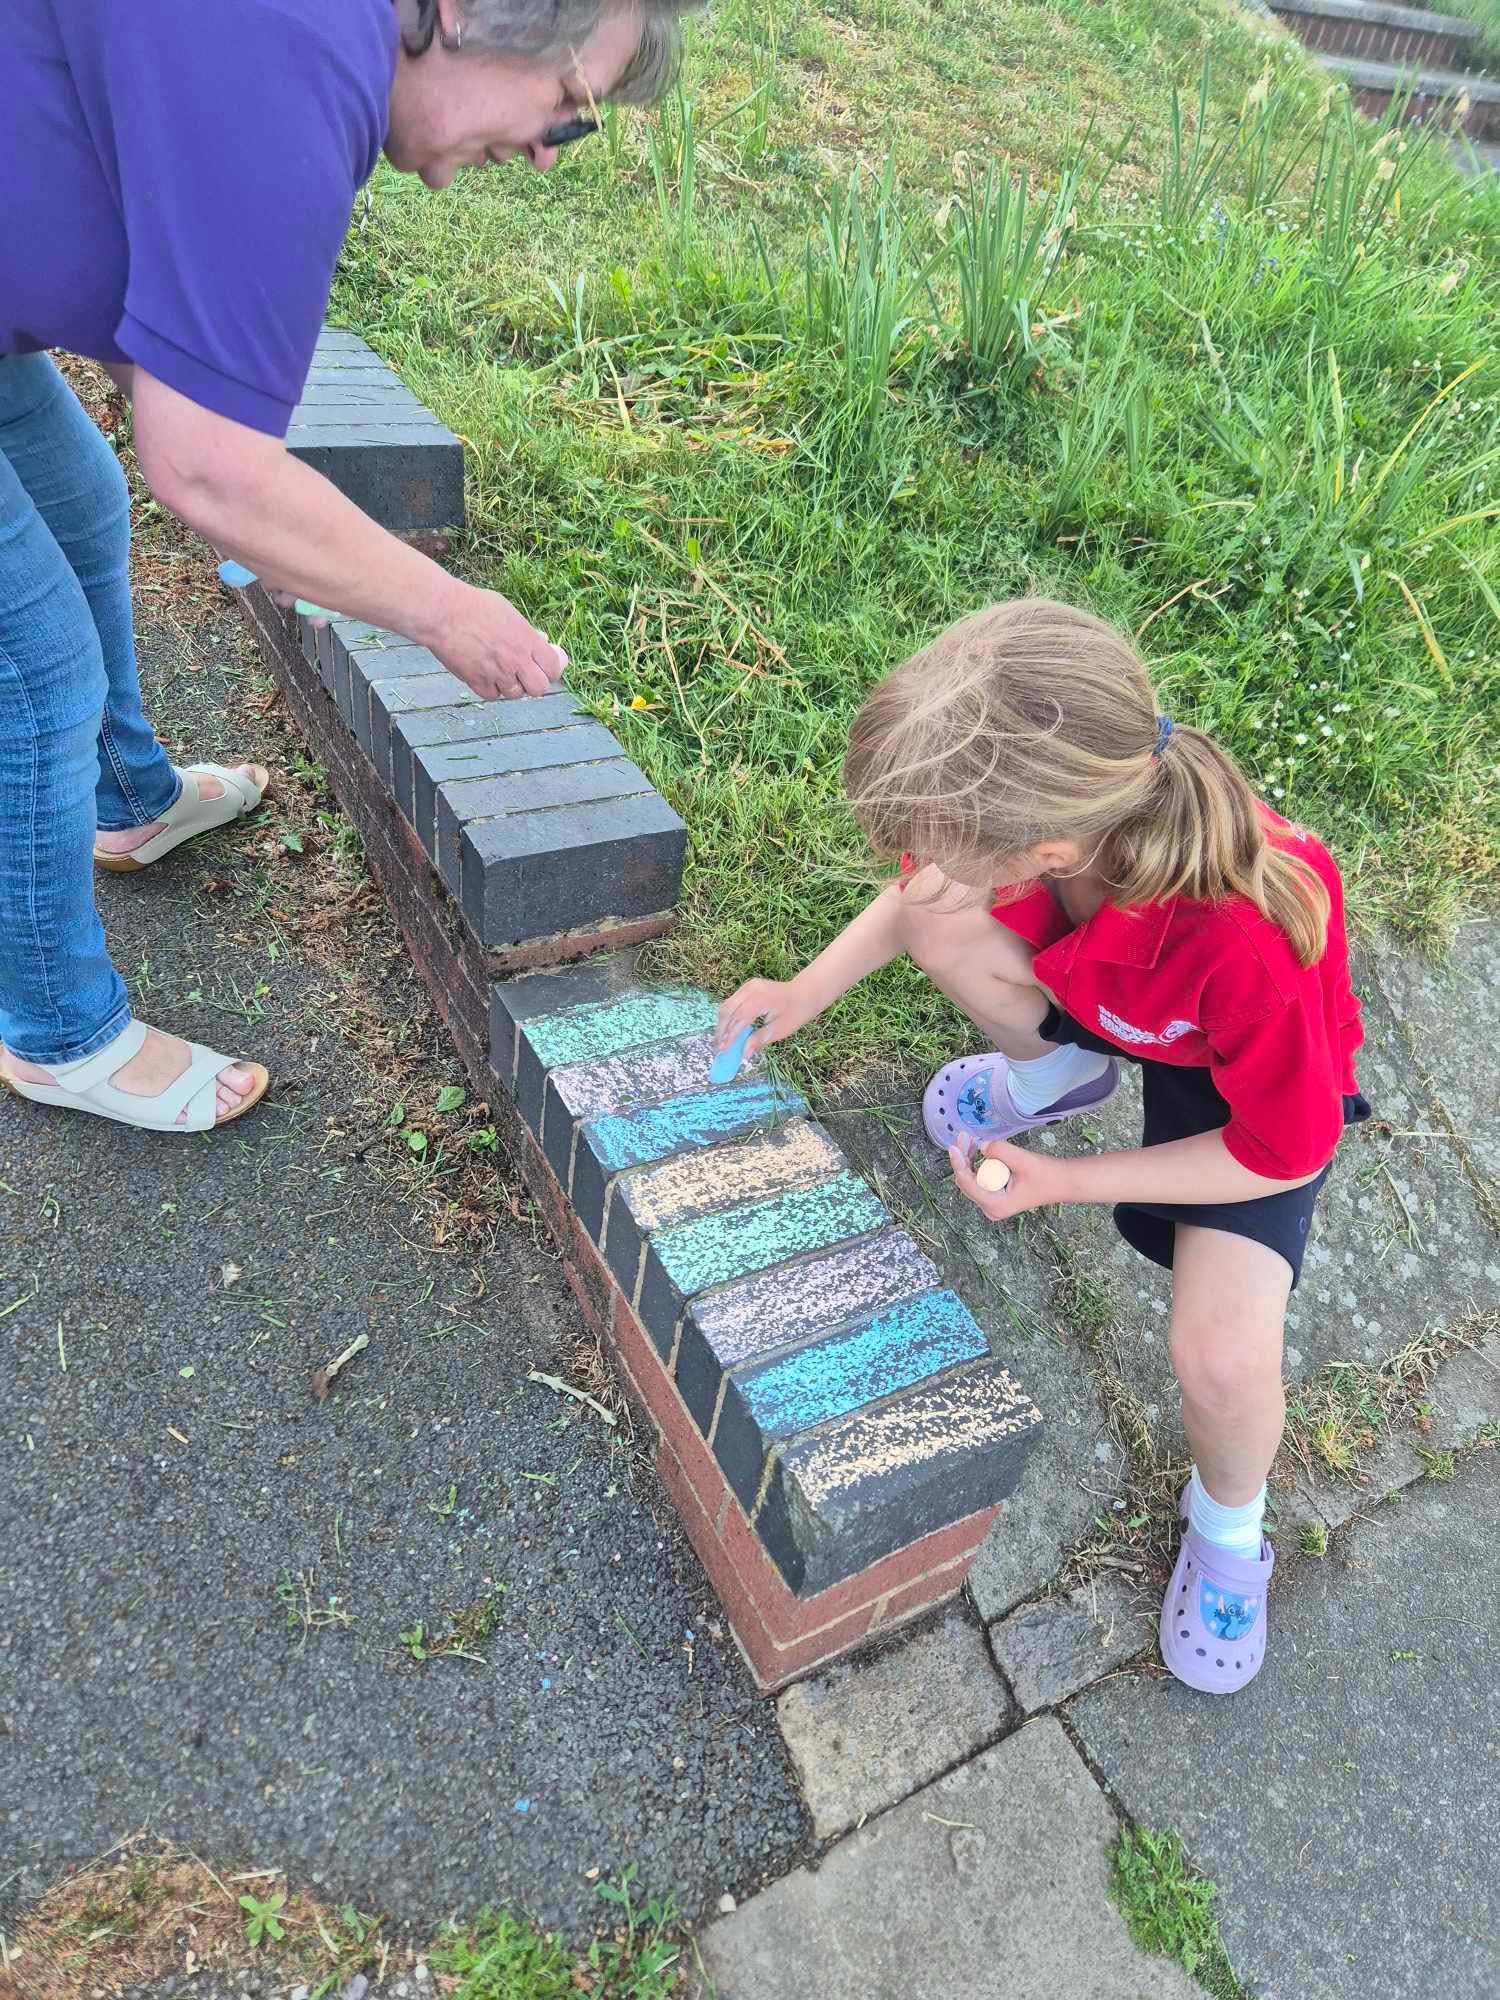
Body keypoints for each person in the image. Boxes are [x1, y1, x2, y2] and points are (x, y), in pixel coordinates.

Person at [0, 0, 694, 1134]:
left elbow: (150, 290)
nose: (547, 151)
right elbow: (206, 464)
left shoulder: (306, 42)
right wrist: (446, 610)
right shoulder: (294, 63)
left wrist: (262, 521)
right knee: (36, 671)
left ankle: (126, 799)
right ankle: (59, 1035)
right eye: (569, 105)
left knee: (80, 503)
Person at [715, 598, 1370, 1694]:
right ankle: (1055, 1076)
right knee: (940, 916)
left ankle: (1228, 1528)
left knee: (1220, 1355)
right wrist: (807, 988)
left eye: (954, 845)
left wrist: (1066, 1180)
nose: (926, 859)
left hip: (1240, 1103)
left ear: (1049, 851)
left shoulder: (1258, 940)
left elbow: (1280, 1154)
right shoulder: (1055, 813)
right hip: (1122, 1003)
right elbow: (919, 899)